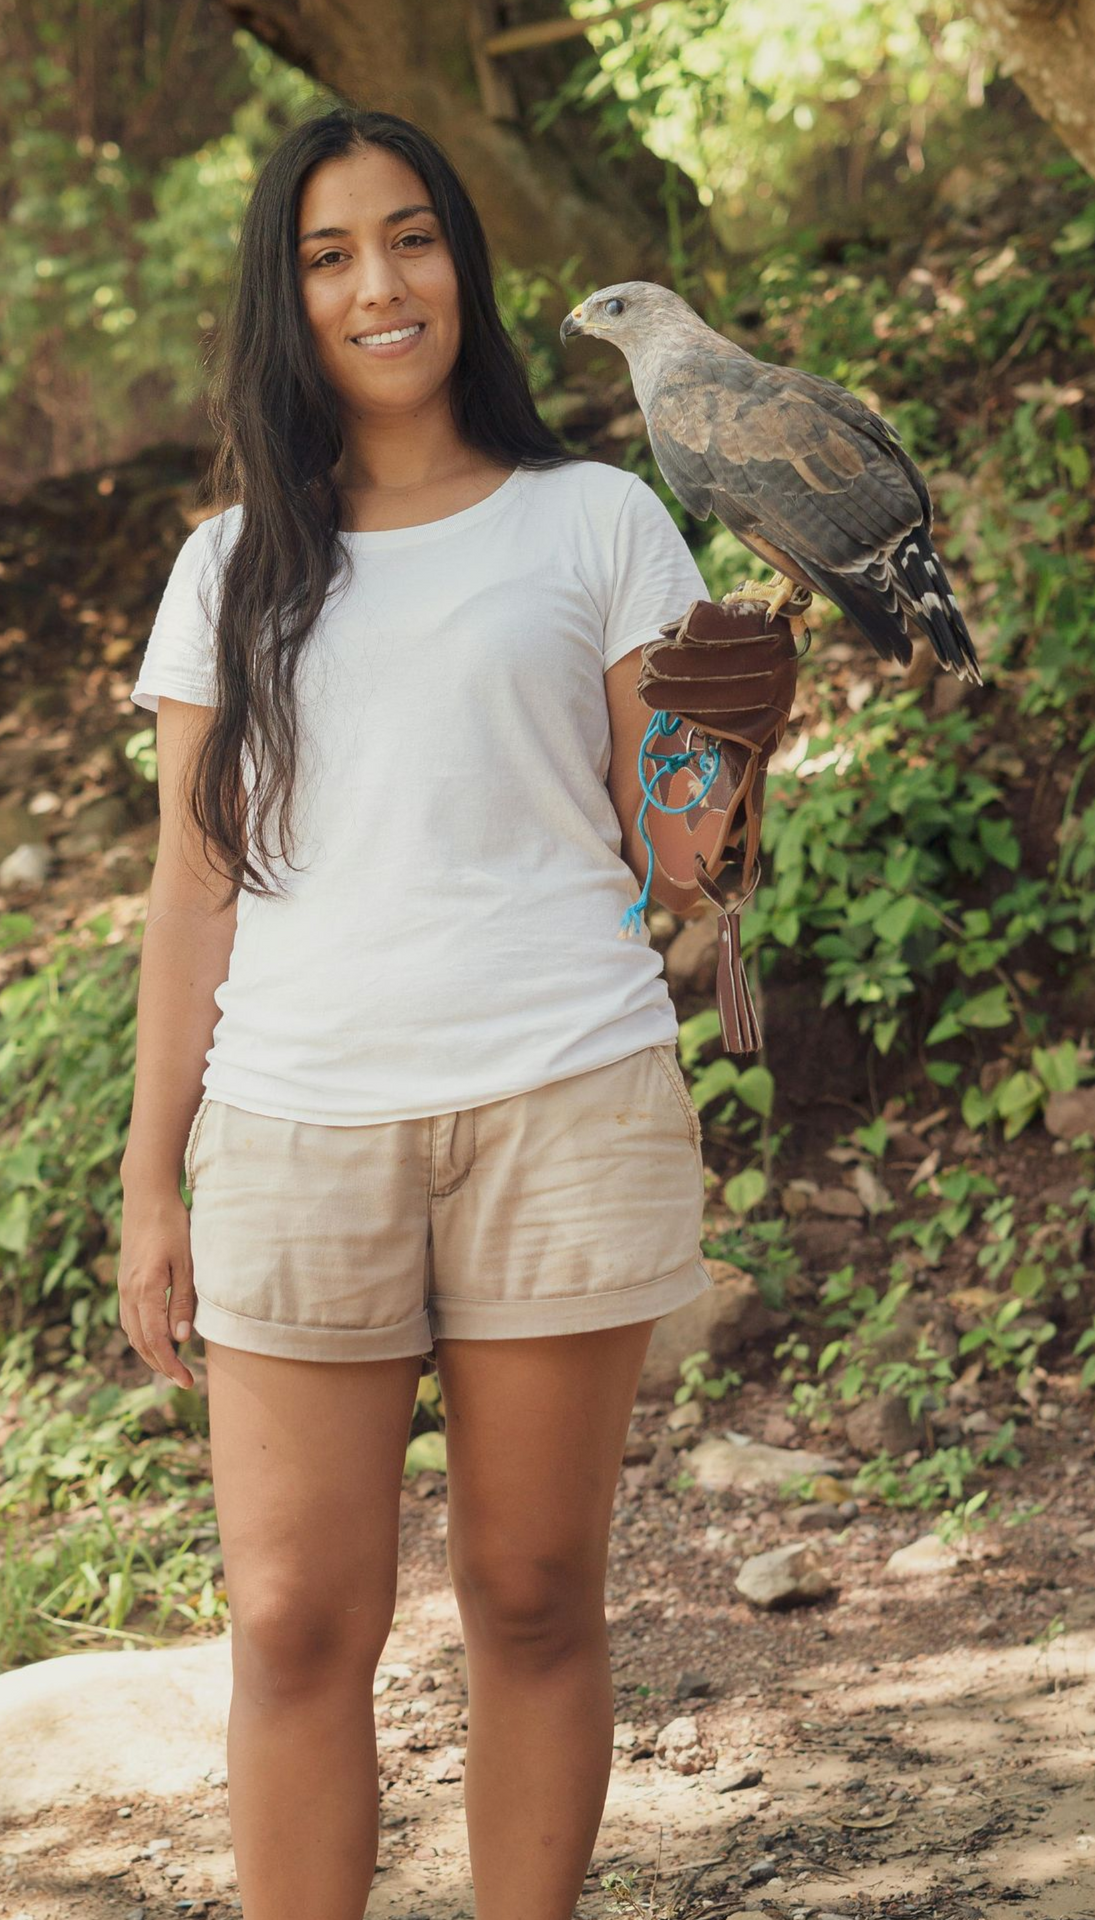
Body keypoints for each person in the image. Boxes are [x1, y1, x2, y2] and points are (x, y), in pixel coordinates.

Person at [117, 104, 717, 1920]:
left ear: (465, 261)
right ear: (282, 301)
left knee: (534, 1598)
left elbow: (688, 860)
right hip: (297, 1129)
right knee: (296, 1619)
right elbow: (192, 887)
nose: (379, 284)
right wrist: (154, 1183)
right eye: (328, 254)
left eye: (412, 238)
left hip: (564, 1097)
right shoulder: (229, 570)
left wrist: (734, 734)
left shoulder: (600, 520)